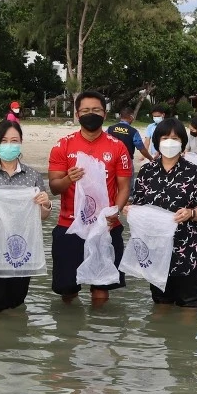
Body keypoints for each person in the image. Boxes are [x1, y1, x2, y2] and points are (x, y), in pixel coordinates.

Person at [48, 90, 132, 303]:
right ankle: (71, 332)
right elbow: (54, 187)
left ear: (104, 114)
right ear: (77, 115)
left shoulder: (118, 146)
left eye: (96, 110)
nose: (90, 114)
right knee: (68, 289)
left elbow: (124, 187)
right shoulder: (62, 145)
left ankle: (100, 333)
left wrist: (116, 211)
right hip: (69, 226)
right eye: (85, 110)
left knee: (101, 289)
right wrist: (69, 179)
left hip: (106, 226)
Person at [0, 120, 51, 313]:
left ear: (21, 142)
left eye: (15, 140)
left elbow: (43, 216)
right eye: (4, 141)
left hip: (20, 253)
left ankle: (12, 342)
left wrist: (46, 203)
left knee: (15, 306)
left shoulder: (33, 176)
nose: (10, 145)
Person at [127, 117, 197, 308]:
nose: (170, 142)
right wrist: (130, 210)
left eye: (175, 138)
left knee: (189, 303)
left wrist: (190, 213)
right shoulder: (146, 171)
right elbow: (139, 205)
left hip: (188, 249)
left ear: (182, 142)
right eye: (165, 138)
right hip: (156, 249)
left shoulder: (194, 172)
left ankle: (186, 337)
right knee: (160, 303)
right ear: (157, 141)